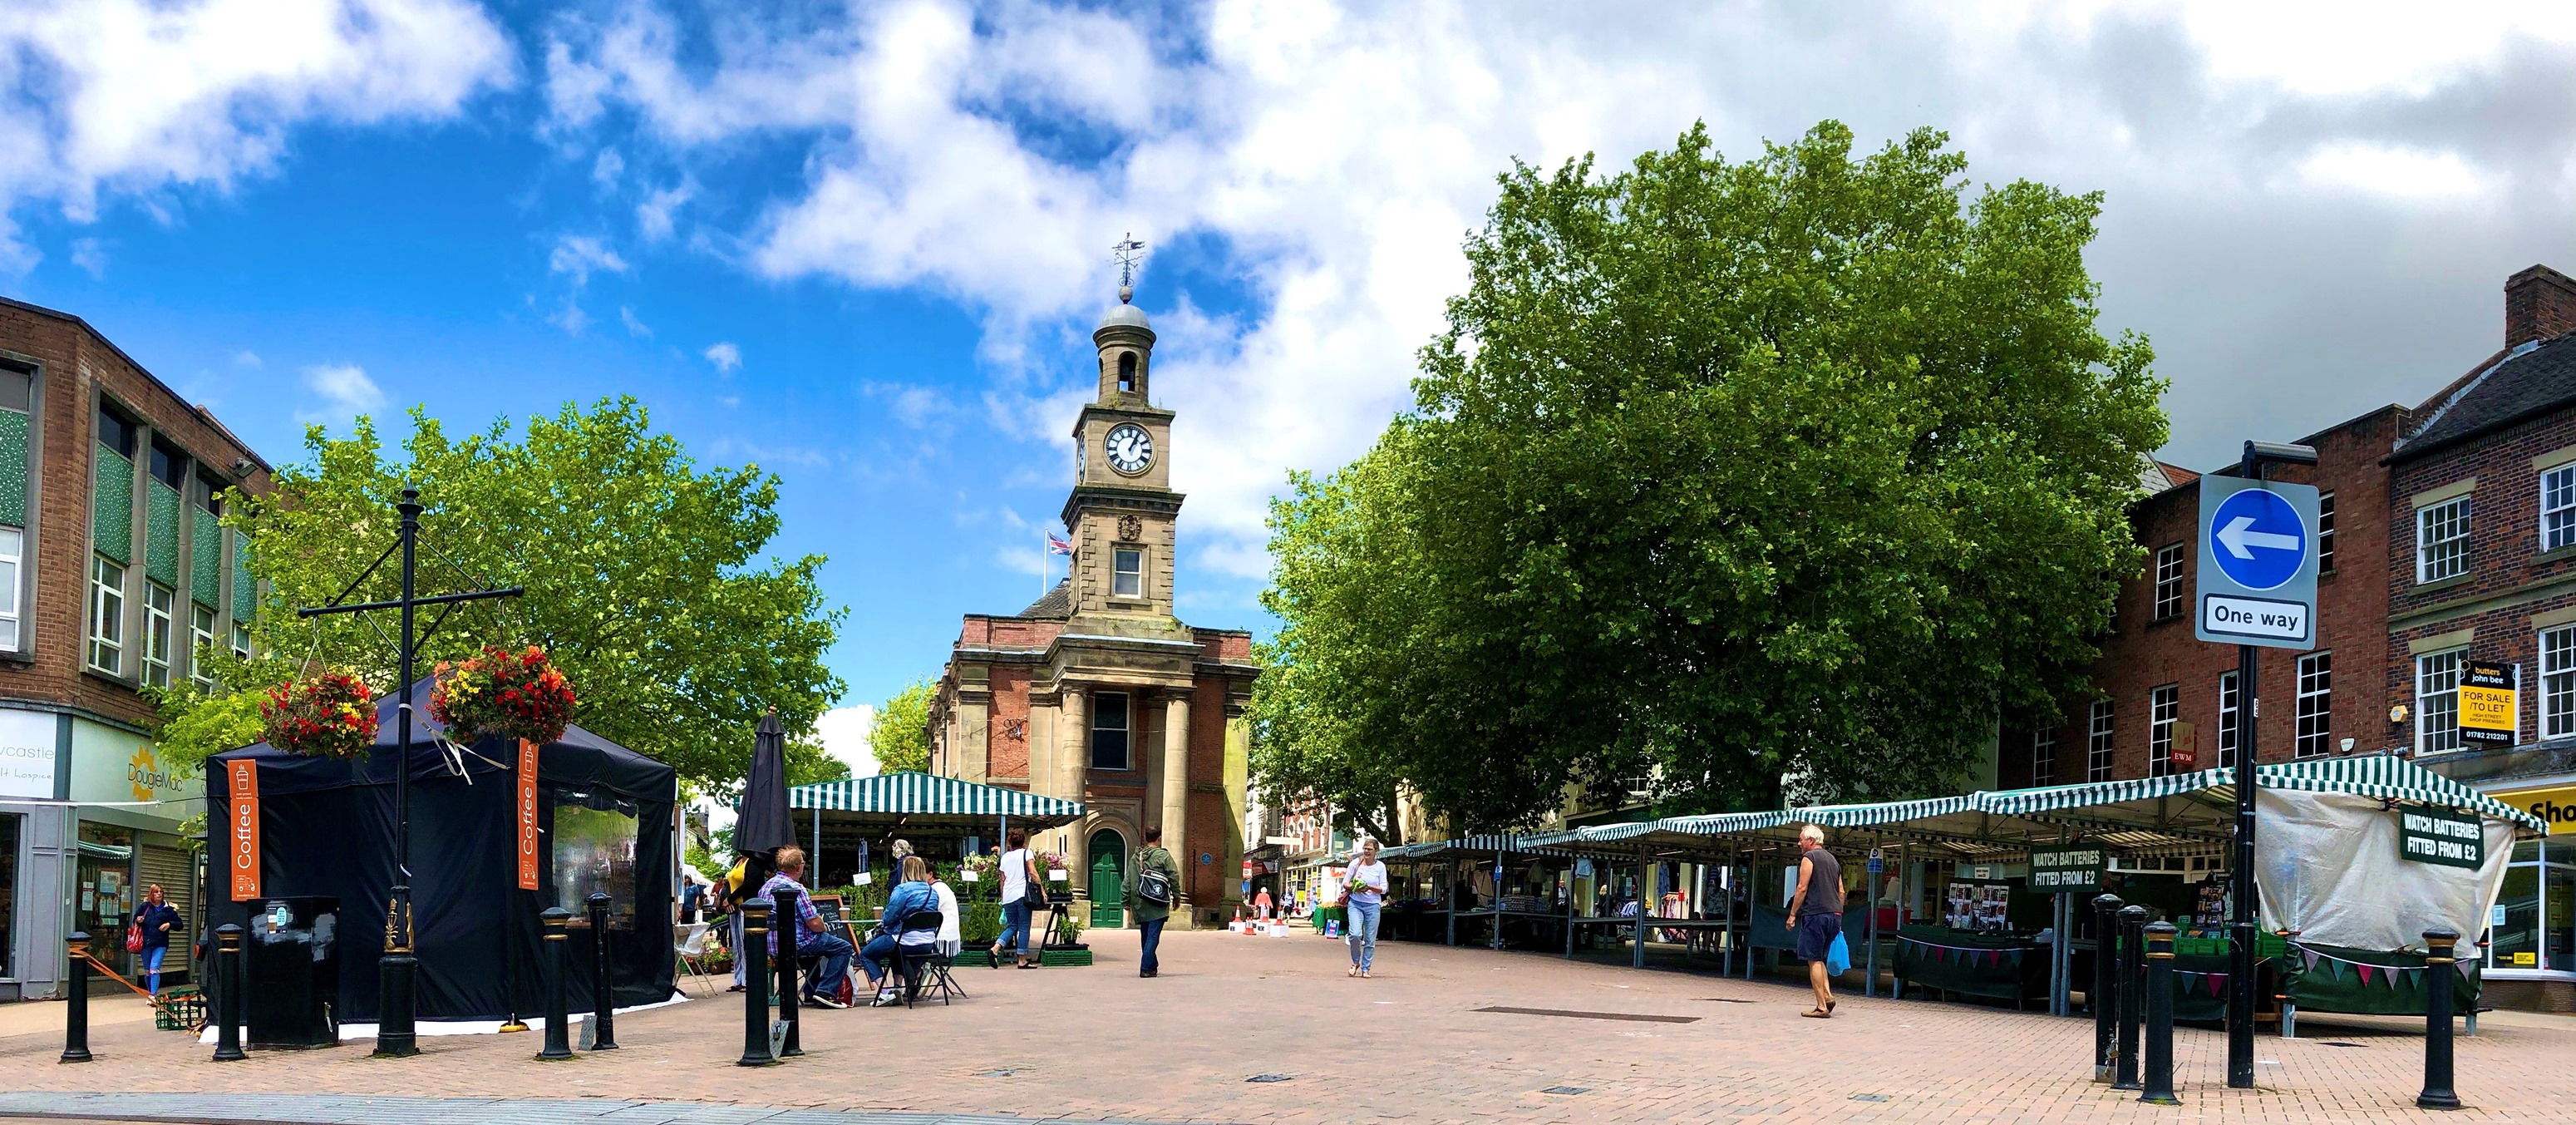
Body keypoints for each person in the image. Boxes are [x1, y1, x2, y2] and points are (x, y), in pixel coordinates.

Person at [760, 846, 855, 1009]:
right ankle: (826, 992)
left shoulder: (765, 888)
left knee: (817, 949)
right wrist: (824, 928)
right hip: (796, 944)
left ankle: (811, 994)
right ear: (798, 867)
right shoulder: (797, 888)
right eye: (803, 863)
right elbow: (815, 924)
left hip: (773, 947)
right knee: (843, 948)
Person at [860, 856, 941, 1005]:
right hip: (928, 942)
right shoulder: (933, 892)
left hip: (904, 939)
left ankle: (884, 992)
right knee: (897, 951)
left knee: (866, 954)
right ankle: (897, 987)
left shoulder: (902, 889)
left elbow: (889, 918)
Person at [1783, 824, 1844, 1019]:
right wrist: (1838, 912)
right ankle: (1828, 995)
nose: (1799, 842)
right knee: (1820, 957)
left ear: (1811, 841)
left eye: (1801, 839)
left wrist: (1793, 914)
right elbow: (1841, 891)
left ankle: (1821, 1006)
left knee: (1813, 959)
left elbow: (1802, 887)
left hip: (1815, 914)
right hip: (1834, 914)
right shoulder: (1834, 861)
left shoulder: (1809, 858)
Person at [1127, 826, 1182, 978]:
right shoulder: (1163, 856)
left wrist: (1126, 900)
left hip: (1140, 901)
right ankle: (1145, 968)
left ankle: (1152, 965)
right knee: (1152, 937)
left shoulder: (1136, 857)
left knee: (1146, 935)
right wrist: (1177, 897)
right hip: (1158, 901)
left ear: (1146, 838)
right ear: (1159, 838)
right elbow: (1173, 876)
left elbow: (1128, 880)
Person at [1342, 838, 1389, 978]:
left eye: (1370, 849)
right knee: (1355, 934)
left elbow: (1384, 889)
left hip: (1373, 905)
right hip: (1355, 903)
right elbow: (1345, 883)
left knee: (1370, 939)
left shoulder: (1380, 867)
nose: (1367, 851)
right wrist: (1356, 887)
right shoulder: (1355, 864)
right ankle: (1355, 961)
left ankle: (1366, 968)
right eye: (1365, 848)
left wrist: (1369, 888)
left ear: (1376, 852)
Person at [992, 829, 1038, 970]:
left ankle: (995, 948)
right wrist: (1041, 889)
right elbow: (1032, 872)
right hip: (1022, 895)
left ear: (1010, 842)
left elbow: (1002, 880)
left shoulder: (1005, 857)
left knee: (1012, 926)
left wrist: (1002, 897)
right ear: (1023, 841)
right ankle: (1022, 960)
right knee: (1024, 927)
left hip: (1008, 896)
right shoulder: (1026, 853)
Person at [134, 885, 182, 996]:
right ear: (151, 894)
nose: (159, 894)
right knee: (147, 971)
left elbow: (180, 924)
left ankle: (153, 994)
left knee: (154, 968)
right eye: (156, 892)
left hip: (160, 944)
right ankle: (150, 993)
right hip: (146, 943)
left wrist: (169, 924)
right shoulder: (145, 907)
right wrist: (139, 920)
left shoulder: (168, 909)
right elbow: (135, 920)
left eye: (161, 892)